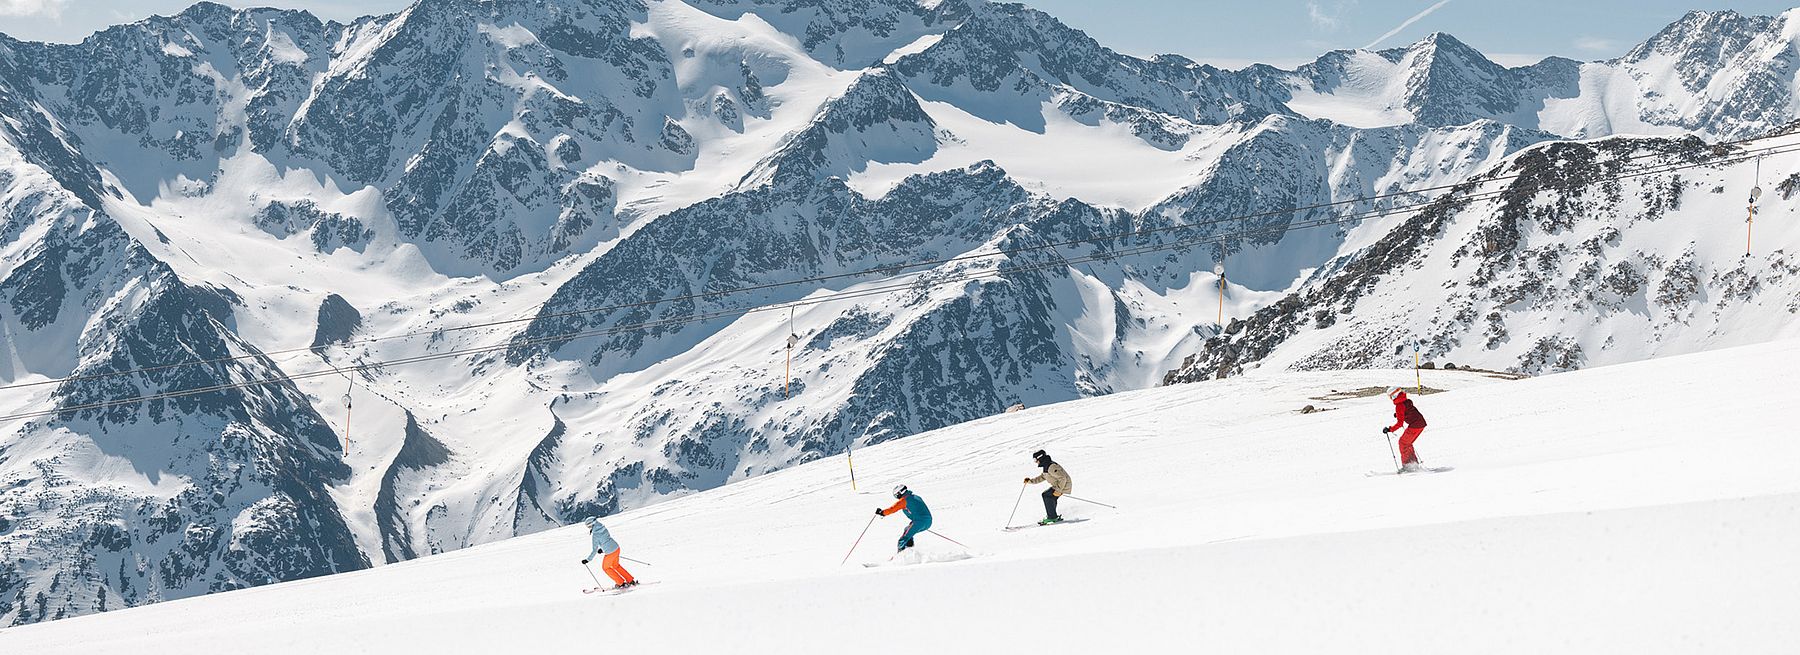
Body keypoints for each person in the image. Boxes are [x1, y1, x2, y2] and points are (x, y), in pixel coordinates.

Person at [580, 517, 637, 589]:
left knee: (606, 568)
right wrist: (602, 549)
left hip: (610, 553)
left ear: (592, 524)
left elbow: (594, 550)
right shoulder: (603, 528)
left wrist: (588, 560)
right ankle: (630, 580)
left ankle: (621, 583)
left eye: (588, 526)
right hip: (616, 548)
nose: (588, 528)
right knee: (616, 566)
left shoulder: (595, 535)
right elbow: (606, 539)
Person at [1382, 387, 1428, 472]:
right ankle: (1413, 463)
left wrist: (1390, 429)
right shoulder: (1405, 401)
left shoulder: (1399, 405)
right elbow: (1408, 411)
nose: (1391, 399)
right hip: (1420, 423)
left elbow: (1400, 424)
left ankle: (1408, 466)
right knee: (1407, 443)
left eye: (1391, 397)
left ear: (1394, 395)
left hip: (1415, 425)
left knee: (1403, 443)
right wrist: (1399, 414)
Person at [876, 484, 932, 551]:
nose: (897, 497)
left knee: (903, 539)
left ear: (900, 492)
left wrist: (882, 512)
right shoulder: (916, 496)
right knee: (907, 531)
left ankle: (901, 556)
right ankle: (910, 550)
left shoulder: (904, 500)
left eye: (897, 495)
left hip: (918, 522)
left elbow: (892, 509)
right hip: (928, 521)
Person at [1023, 449, 1072, 525]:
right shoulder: (1046, 466)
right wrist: (1030, 481)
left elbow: (1063, 478)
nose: (1035, 462)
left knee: (1046, 495)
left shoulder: (1051, 466)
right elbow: (1042, 477)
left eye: (1035, 459)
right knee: (1050, 497)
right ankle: (1053, 516)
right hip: (1059, 485)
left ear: (1040, 458)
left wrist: (1059, 491)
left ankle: (1052, 517)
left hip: (1063, 485)